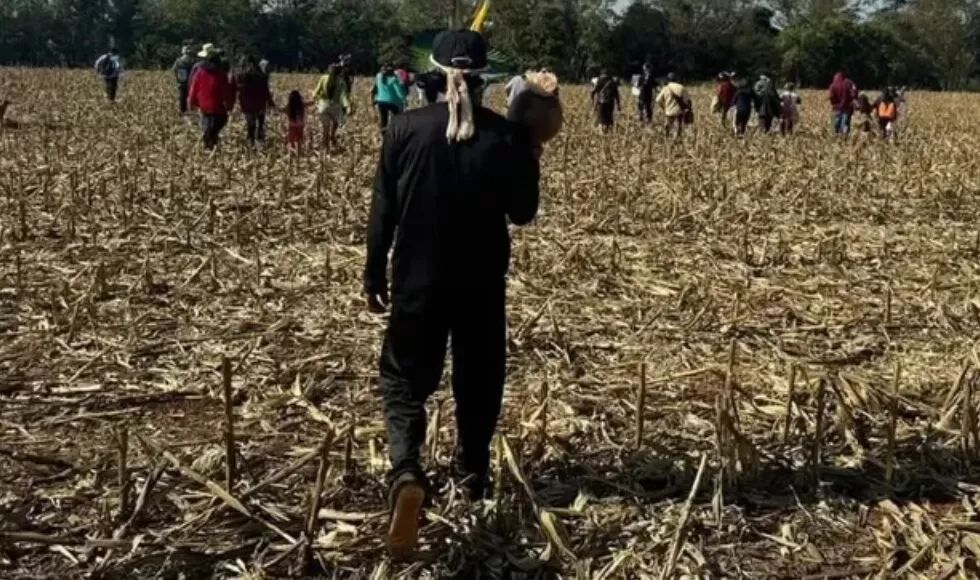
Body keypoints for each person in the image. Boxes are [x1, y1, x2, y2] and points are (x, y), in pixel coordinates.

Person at [363, 29, 540, 561]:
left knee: (402, 377)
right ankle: (473, 473)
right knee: (479, 378)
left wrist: (374, 272)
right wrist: (530, 149)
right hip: (482, 282)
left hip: (416, 280)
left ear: (434, 74)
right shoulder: (504, 137)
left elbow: (383, 210)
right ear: (483, 78)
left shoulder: (404, 129)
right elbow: (523, 213)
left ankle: (407, 469)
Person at [188, 45, 236, 150]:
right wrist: (229, 103)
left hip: (203, 105)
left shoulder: (199, 72)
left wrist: (191, 102)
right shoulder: (220, 74)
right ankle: (211, 143)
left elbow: (193, 87)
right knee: (215, 126)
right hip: (217, 106)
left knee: (208, 125)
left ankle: (209, 144)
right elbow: (226, 90)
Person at [234, 56, 276, 146]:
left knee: (251, 123)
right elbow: (265, 90)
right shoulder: (260, 75)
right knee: (260, 120)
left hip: (247, 103)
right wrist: (270, 102)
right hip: (259, 102)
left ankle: (251, 139)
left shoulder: (241, 75)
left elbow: (237, 89)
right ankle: (258, 136)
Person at [311, 64, 350, 152]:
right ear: (340, 72)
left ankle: (326, 148)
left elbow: (316, 91)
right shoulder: (341, 82)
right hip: (335, 107)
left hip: (323, 105)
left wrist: (314, 97)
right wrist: (347, 106)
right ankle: (332, 136)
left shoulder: (323, 78)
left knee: (325, 128)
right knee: (336, 122)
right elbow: (343, 96)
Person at [655, 72, 691, 139]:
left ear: (668, 79)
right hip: (679, 111)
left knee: (668, 125)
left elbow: (658, 100)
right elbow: (687, 100)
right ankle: (676, 139)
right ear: (676, 79)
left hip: (669, 111)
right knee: (678, 127)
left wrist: (664, 107)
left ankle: (667, 138)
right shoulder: (681, 87)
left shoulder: (666, 88)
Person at [372, 64, 408, 130]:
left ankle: (384, 135)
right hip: (393, 101)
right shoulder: (393, 79)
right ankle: (397, 132)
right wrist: (404, 100)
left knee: (384, 120)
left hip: (381, 101)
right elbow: (399, 91)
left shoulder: (378, 76)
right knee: (398, 118)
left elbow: (377, 87)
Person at [829, 72, 857, 137]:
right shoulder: (849, 83)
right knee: (845, 126)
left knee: (835, 127)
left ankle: (835, 139)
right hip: (846, 109)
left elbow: (831, 97)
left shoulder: (832, 85)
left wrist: (835, 103)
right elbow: (854, 93)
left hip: (836, 109)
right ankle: (844, 139)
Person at [172, 46, 196, 114]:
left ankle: (183, 110)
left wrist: (177, 77)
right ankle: (191, 110)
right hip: (190, 82)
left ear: (183, 52)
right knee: (190, 96)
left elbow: (174, 69)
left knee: (182, 97)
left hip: (181, 82)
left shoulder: (178, 61)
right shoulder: (192, 61)